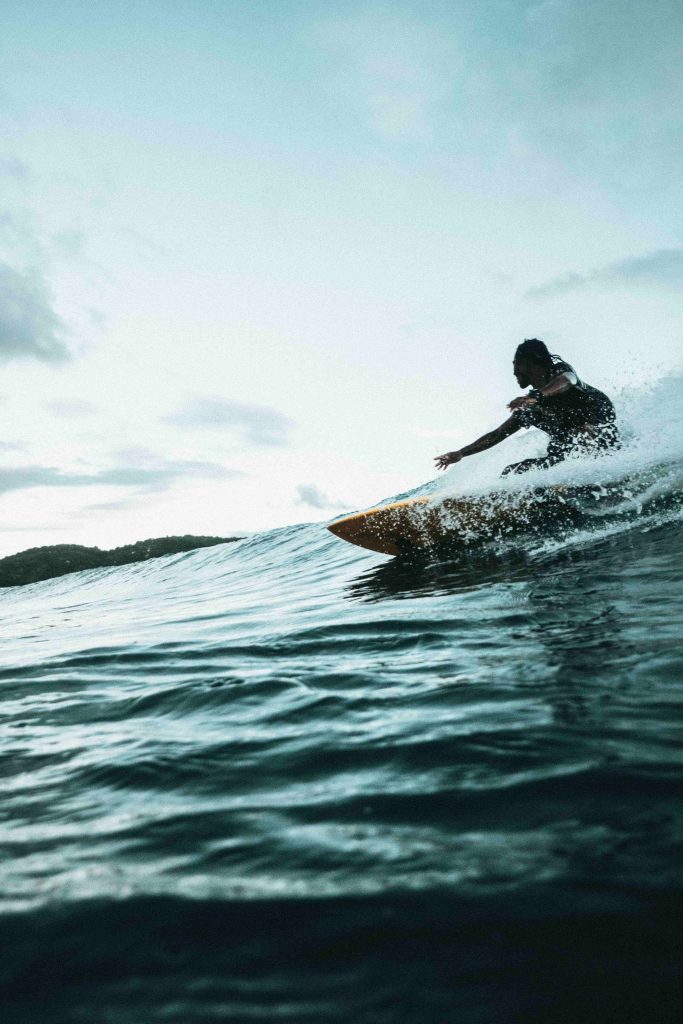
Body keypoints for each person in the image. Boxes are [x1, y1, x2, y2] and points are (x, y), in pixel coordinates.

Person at [435, 338, 619, 476]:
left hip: (598, 424)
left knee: (584, 431)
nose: (514, 371)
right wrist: (460, 453)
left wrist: (537, 395)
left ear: (527, 363)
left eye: (515, 364)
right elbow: (497, 435)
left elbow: (567, 381)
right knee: (513, 471)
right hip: (569, 442)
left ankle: (605, 471)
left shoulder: (559, 372)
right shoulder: (531, 408)